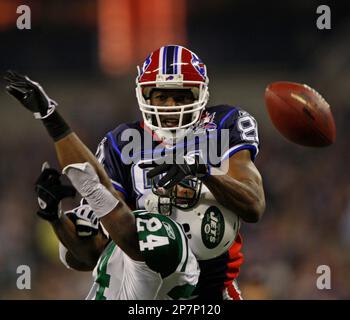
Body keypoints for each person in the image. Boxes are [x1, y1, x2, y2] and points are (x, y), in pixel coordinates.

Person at [4, 44, 266, 299]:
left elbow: (254, 204)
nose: (172, 105)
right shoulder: (120, 143)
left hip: (213, 289)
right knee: (146, 237)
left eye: (181, 96)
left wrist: (203, 172)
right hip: (150, 290)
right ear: (145, 96)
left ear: (200, 96)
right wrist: (55, 218)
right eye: (162, 96)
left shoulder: (224, 124)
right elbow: (90, 254)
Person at [4, 72, 200, 300]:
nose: (85, 237)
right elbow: (82, 255)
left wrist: (50, 117)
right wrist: (55, 217)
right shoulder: (118, 249)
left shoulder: (151, 247)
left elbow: (115, 217)